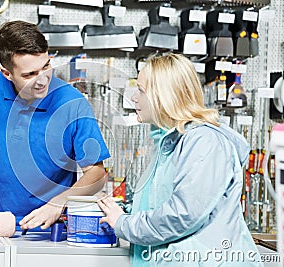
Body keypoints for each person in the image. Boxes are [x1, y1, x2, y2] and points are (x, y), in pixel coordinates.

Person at [97, 53, 262, 266]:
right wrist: (122, 211)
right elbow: (161, 203)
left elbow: (183, 214)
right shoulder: (168, 143)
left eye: (141, 90)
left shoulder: (204, 141)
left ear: (164, 96)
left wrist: (125, 224)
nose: (134, 98)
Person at [0, 20, 110, 231]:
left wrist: (59, 202)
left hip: (49, 229)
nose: (42, 80)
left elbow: (96, 174)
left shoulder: (72, 104)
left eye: (46, 66)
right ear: (7, 74)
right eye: (29, 75)